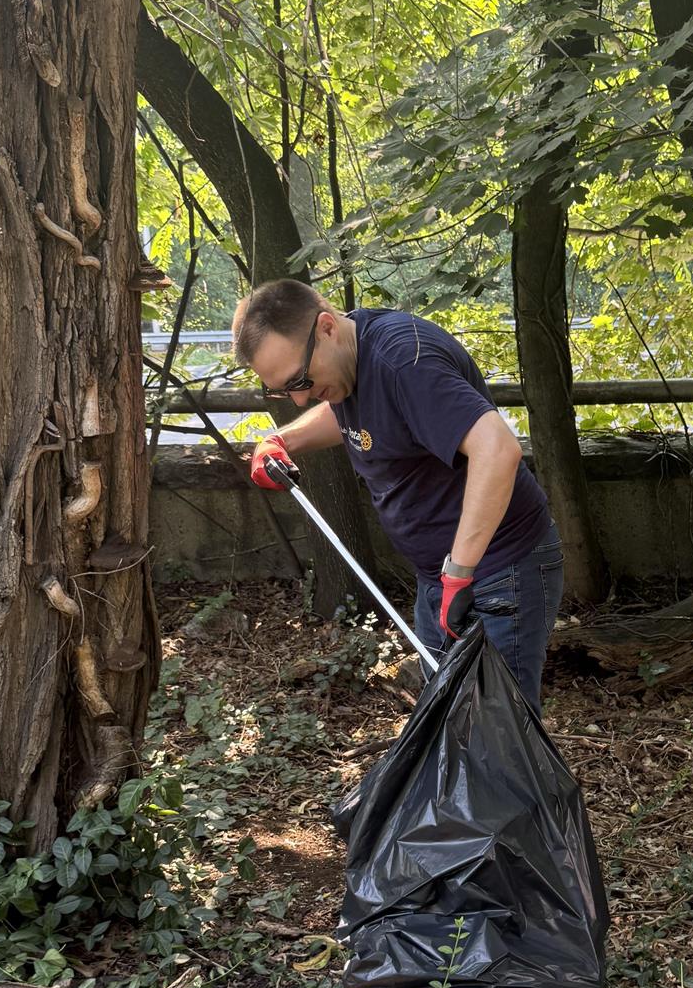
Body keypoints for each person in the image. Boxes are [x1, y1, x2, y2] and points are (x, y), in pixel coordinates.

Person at [233, 280, 564, 710]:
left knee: (499, 732)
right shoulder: (347, 368)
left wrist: (460, 573)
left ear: (327, 328)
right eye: (282, 389)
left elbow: (497, 449)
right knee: (449, 720)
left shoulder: (405, 363)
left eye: (301, 380)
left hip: (500, 571)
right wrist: (283, 440)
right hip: (442, 578)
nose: (298, 398)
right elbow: (349, 413)